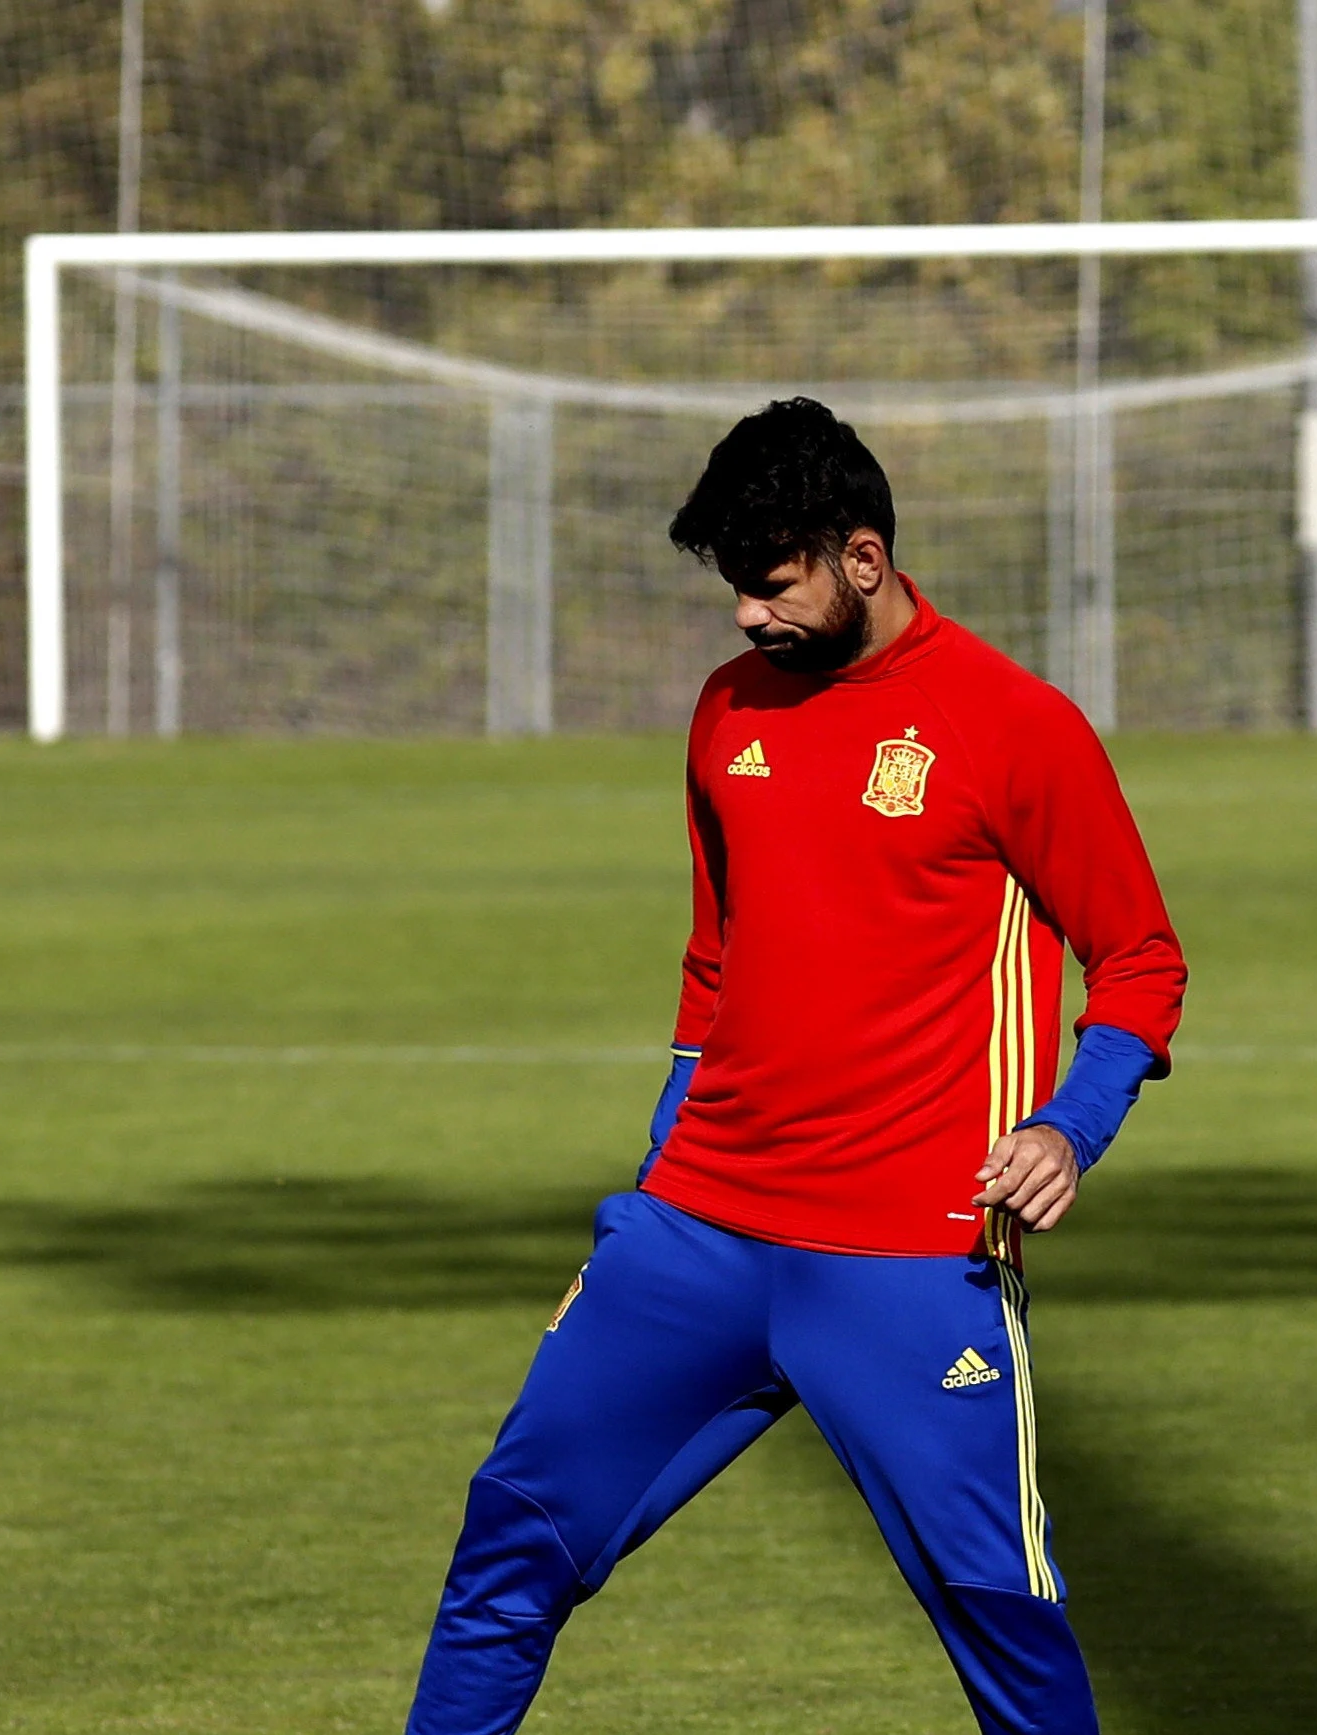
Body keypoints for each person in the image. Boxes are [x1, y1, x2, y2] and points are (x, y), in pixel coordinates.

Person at [402, 398, 1187, 1735]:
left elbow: (1141, 956)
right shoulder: (726, 713)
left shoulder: (1014, 724)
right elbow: (714, 963)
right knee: (509, 1543)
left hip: (911, 1256)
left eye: (770, 585)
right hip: (693, 1234)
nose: (745, 618)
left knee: (999, 1601)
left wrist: (1072, 1124)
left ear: (862, 558)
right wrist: (658, 1171)